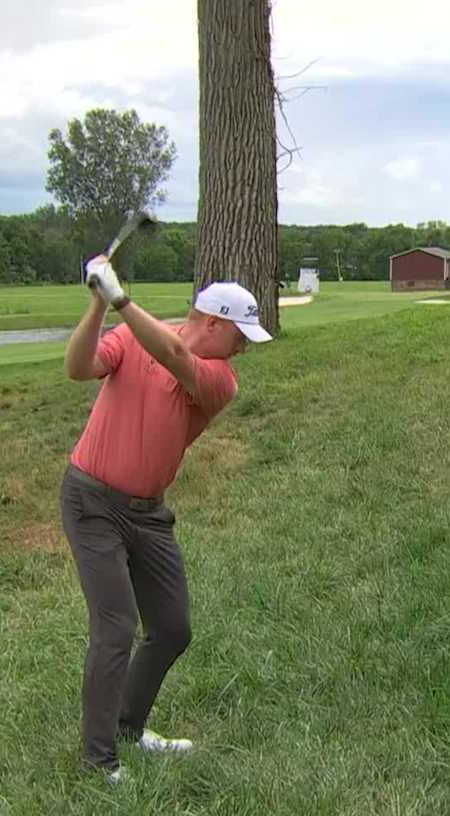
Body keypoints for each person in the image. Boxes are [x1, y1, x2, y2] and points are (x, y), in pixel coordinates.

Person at [59, 254, 271, 784]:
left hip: (148, 515)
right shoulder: (132, 338)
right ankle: (98, 759)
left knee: (172, 628)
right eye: (240, 334)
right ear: (214, 322)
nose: (244, 346)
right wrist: (97, 305)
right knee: (116, 625)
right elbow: (77, 367)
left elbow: (174, 353)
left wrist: (122, 299)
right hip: (91, 503)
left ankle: (130, 726)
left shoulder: (221, 379)